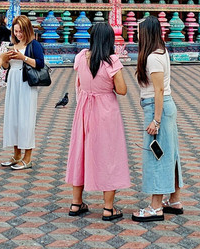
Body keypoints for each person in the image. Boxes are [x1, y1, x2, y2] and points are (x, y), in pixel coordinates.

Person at [65, 22, 130, 222]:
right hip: (105, 111)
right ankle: (108, 208)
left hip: (84, 108)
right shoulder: (112, 61)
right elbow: (122, 89)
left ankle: (76, 202)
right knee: (109, 155)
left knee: (80, 152)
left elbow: (80, 82)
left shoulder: (81, 57)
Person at [132, 16, 184, 222]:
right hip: (164, 107)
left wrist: (156, 120)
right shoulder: (162, 51)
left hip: (158, 107)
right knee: (170, 153)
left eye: (139, 30)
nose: (136, 34)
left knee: (157, 155)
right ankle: (174, 199)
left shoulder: (153, 57)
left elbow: (159, 90)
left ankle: (155, 207)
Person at [0, 15, 45, 171]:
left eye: (20, 31)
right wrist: (5, 58)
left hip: (26, 83)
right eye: (15, 31)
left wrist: (23, 57)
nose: (18, 35)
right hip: (13, 81)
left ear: (27, 30)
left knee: (26, 119)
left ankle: (27, 157)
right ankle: (16, 154)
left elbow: (40, 63)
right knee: (13, 118)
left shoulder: (34, 45)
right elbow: (6, 67)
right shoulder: (12, 45)